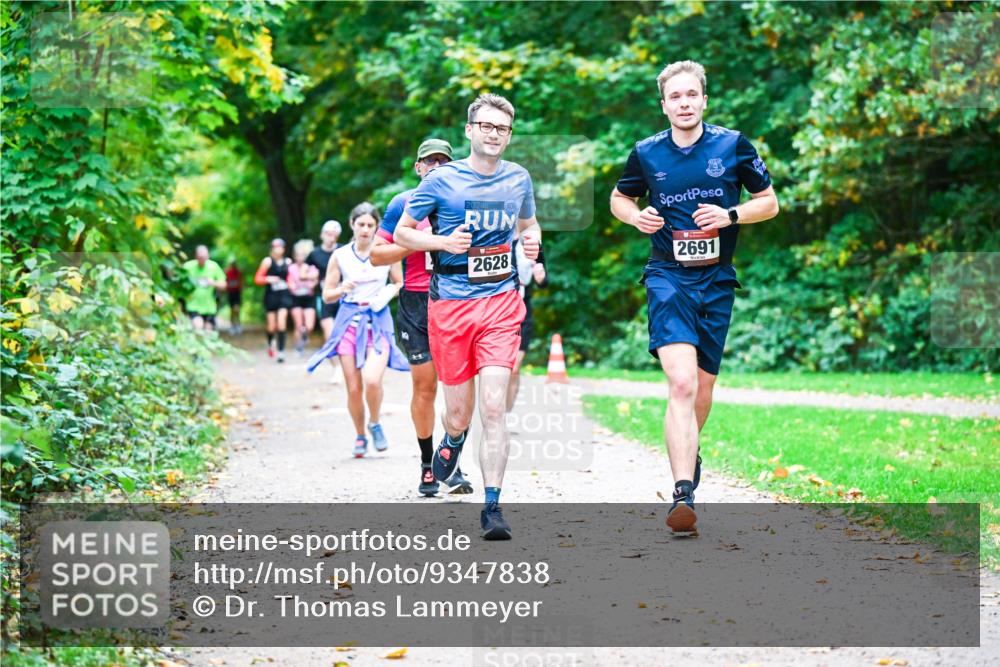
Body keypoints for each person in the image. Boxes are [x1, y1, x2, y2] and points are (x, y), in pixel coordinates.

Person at [610, 60, 779, 533]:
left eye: (691, 95)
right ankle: (682, 492)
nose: (684, 103)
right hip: (667, 275)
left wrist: (731, 215)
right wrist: (634, 217)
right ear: (663, 105)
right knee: (681, 383)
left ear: (703, 99)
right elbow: (620, 198)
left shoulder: (733, 144)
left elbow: (770, 202)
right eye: (675, 97)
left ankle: (690, 449)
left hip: (717, 279)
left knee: (702, 388)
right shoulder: (646, 152)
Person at [393, 94, 541, 540]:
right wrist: (441, 244)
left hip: (500, 301)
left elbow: (528, 225)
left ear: (509, 135)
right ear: (470, 130)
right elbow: (403, 232)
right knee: (459, 413)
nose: (494, 134)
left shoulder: (519, 178)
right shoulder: (441, 182)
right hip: (451, 305)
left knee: (494, 406)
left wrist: (530, 242)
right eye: (487, 126)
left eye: (503, 129)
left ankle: (492, 506)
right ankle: (453, 439)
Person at [371, 138, 473, 498]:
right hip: (416, 301)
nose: (436, 168)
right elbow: (376, 256)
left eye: (443, 162)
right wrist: (421, 241)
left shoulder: (462, 202)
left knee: (459, 387)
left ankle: (454, 462)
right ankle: (428, 465)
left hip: (457, 298)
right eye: (429, 162)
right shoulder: (404, 204)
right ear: (418, 168)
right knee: (426, 387)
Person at [307, 203, 409, 458]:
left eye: (370, 225)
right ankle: (360, 435)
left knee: (373, 380)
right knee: (353, 388)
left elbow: (399, 282)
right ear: (352, 225)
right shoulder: (339, 256)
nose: (365, 229)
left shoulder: (386, 252)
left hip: (378, 320)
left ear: (376, 227)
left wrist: (388, 292)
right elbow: (327, 295)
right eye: (360, 224)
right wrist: (343, 289)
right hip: (349, 320)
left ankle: (374, 422)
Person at [506, 234, 547, 412]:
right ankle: (494, 414)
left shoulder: (533, 243)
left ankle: (505, 416)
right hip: (501, 311)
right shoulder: (499, 238)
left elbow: (544, 281)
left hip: (524, 313)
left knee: (514, 369)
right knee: (499, 370)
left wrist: (541, 277)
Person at [307, 220, 343, 382]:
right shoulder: (314, 254)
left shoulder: (343, 250)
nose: (331, 237)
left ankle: (348, 366)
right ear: (322, 235)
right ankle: (336, 368)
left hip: (345, 297)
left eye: (334, 235)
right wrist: (311, 277)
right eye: (328, 234)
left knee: (346, 334)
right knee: (329, 335)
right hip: (325, 297)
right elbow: (303, 273)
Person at [254, 238, 293, 362]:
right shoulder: (267, 262)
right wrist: (268, 279)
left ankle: (281, 352)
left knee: (282, 323)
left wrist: (291, 284)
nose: (278, 249)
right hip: (271, 296)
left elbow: (291, 278)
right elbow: (257, 278)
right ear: (272, 249)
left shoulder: (288, 262)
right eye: (276, 247)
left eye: (280, 247)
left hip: (284, 295)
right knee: (271, 326)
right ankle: (271, 342)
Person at [182, 245, 226, 331]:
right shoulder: (188, 266)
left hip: (209, 307)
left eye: (204, 257)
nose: (202, 259)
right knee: (198, 328)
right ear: (196, 256)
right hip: (193, 305)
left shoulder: (213, 266)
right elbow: (180, 282)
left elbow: (224, 285)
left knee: (208, 333)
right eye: (200, 257)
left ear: (208, 256)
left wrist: (212, 282)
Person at [288, 239, 320, 355]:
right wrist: (292, 286)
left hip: (308, 297)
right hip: (296, 298)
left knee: (309, 326)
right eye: (298, 255)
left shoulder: (312, 267)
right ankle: (298, 347)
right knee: (299, 325)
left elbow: (316, 279)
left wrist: (311, 283)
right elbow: (290, 281)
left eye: (303, 255)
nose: (300, 257)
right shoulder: (291, 268)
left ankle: (305, 337)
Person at [224, 257, 244, 335]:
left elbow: (241, 281)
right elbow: (225, 281)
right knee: (232, 310)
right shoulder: (227, 272)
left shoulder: (239, 272)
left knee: (237, 309)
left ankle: (238, 325)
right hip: (230, 293)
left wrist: (241, 288)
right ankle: (232, 326)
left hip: (237, 293)